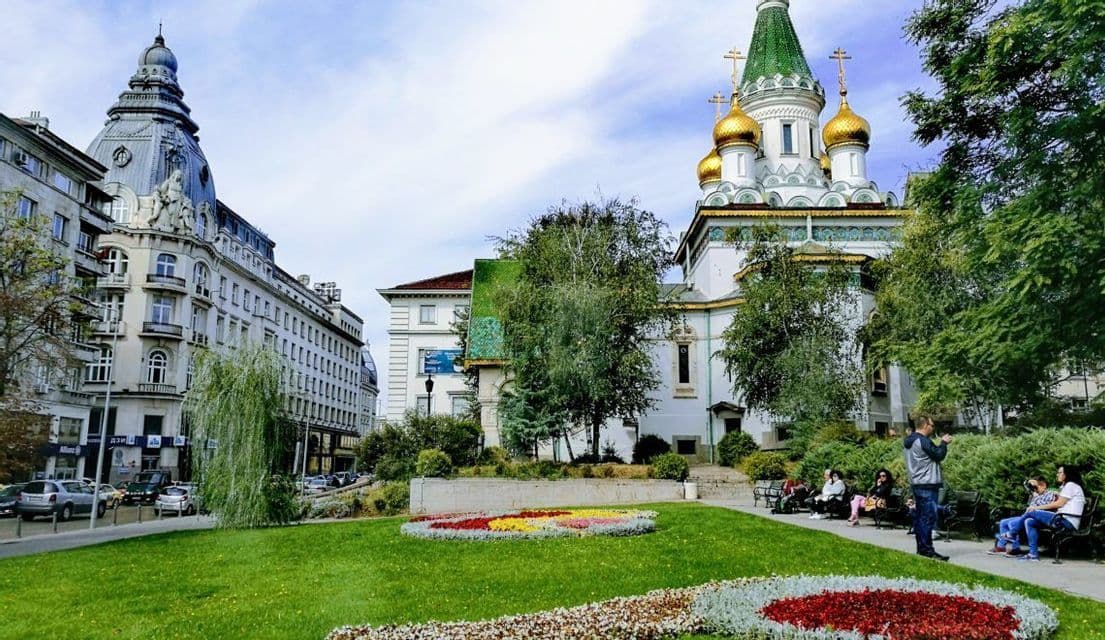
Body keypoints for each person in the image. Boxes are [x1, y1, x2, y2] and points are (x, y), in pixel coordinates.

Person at [904, 415, 952, 561]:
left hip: (917, 483)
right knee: (927, 518)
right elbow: (938, 455)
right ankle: (927, 551)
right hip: (927, 484)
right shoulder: (922, 440)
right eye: (931, 425)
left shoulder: (909, 441)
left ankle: (922, 549)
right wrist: (943, 443)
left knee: (920, 518)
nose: (933, 427)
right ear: (925, 425)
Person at [1020, 465, 1087, 562]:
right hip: (1061, 519)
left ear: (1066, 474)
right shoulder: (1068, 486)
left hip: (1066, 522)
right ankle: (1033, 554)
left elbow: (1059, 504)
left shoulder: (1071, 485)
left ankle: (1011, 532)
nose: (1057, 474)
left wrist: (1036, 508)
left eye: (1060, 472)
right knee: (1030, 522)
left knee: (1032, 511)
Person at [987, 476, 1058, 557]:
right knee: (1003, 522)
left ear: (1044, 485)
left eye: (1035, 486)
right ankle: (1001, 547)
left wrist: (1036, 496)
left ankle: (1016, 549)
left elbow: (1045, 508)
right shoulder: (1036, 495)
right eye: (1032, 487)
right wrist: (1034, 493)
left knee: (1012, 523)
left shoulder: (1050, 494)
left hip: (1035, 518)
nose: (1034, 489)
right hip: (1025, 516)